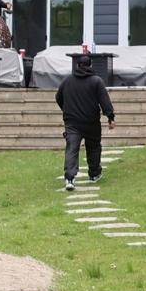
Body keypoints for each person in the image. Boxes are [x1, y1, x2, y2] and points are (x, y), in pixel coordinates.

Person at [55, 49, 114, 191]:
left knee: (72, 149)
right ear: (91, 65)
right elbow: (104, 101)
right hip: (91, 122)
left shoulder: (67, 81)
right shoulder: (96, 81)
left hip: (72, 122)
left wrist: (66, 110)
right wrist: (110, 117)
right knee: (93, 147)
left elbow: (58, 97)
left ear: (77, 66)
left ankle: (70, 178)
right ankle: (94, 174)